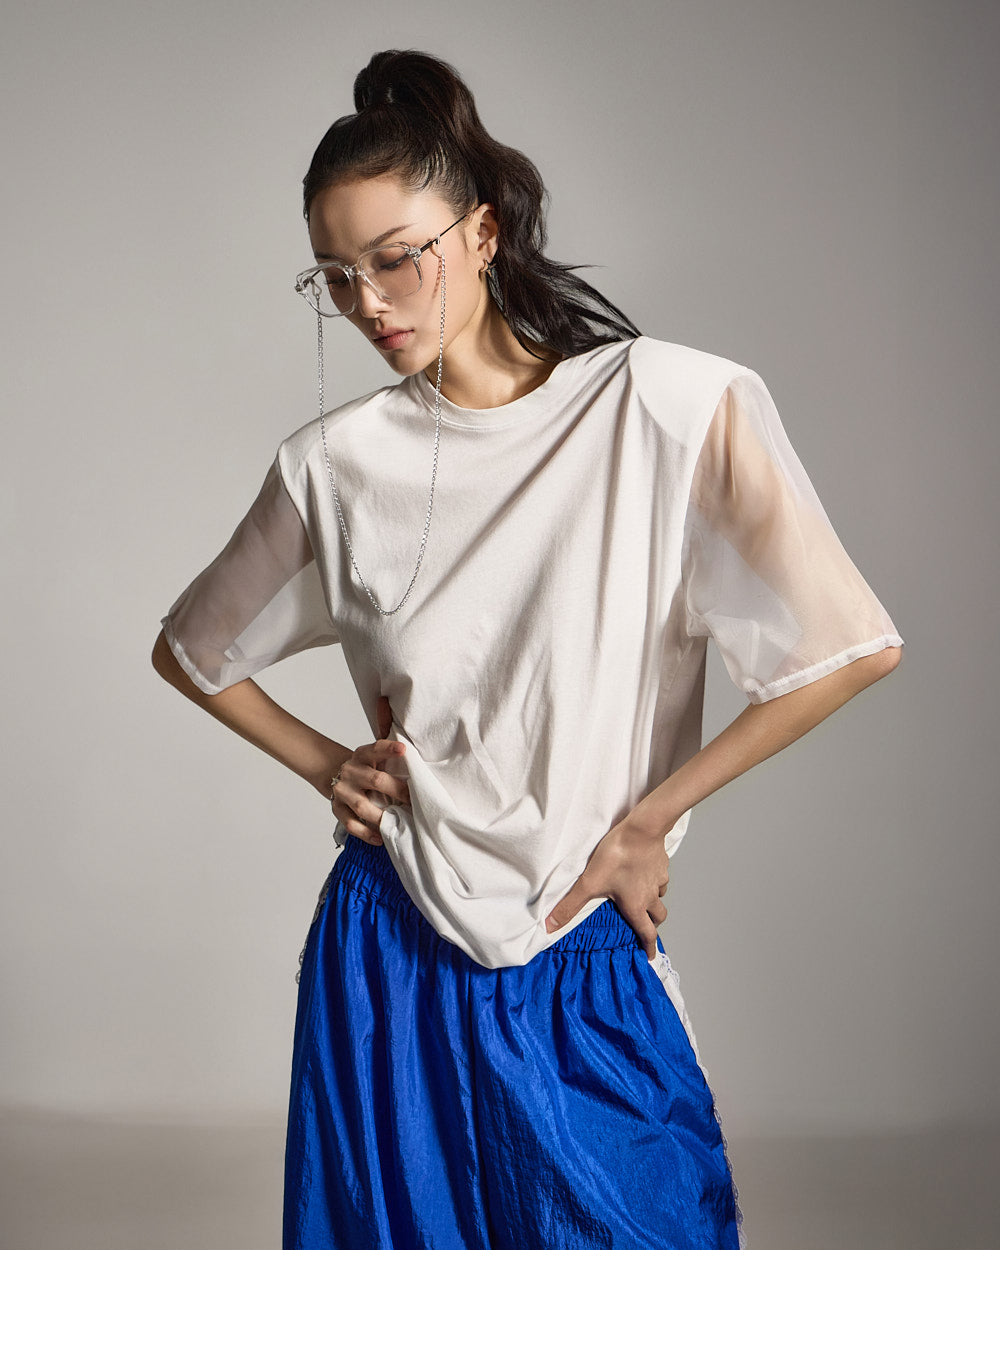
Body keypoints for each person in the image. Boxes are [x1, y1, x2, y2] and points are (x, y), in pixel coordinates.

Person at [151, 49, 904, 1251]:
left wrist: (650, 820)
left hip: (575, 939)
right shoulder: (334, 466)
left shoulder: (664, 406)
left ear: (484, 232)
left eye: (395, 257)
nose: (368, 301)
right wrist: (327, 764)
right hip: (387, 958)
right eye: (335, 277)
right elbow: (192, 650)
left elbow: (848, 644)